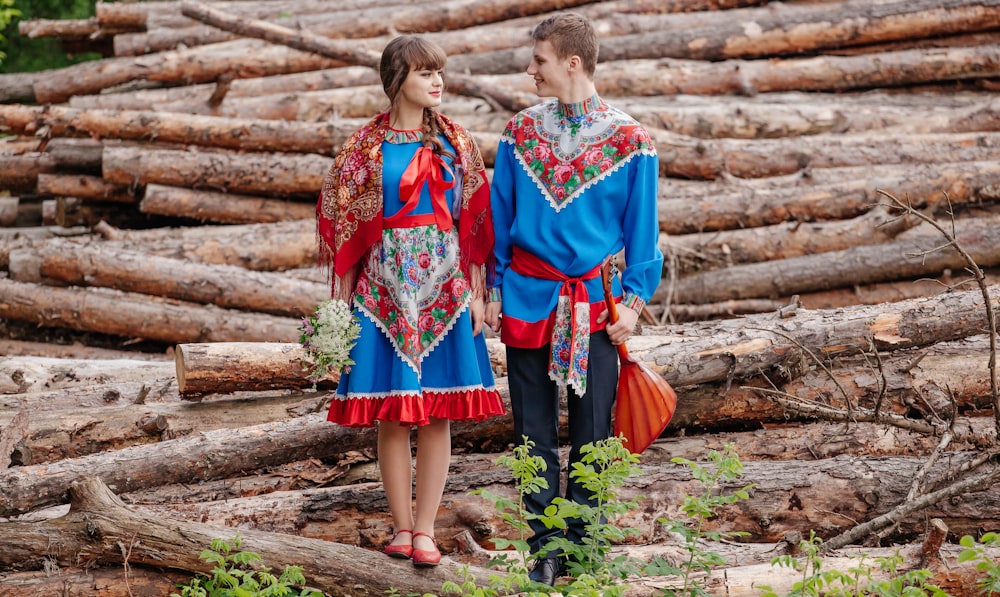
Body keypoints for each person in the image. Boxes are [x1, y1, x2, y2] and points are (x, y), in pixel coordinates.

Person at [484, 12, 664, 586]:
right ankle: (544, 549)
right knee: (530, 428)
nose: (530, 69)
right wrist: (493, 286)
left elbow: (643, 231)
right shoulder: (518, 134)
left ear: (572, 63)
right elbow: (499, 216)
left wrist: (632, 305)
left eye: (538, 59)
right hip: (528, 296)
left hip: (594, 302)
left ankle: (585, 550)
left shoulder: (633, 142)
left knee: (592, 428)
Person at [316, 35, 505, 568]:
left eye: (439, 72)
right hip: (383, 290)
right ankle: (400, 526)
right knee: (393, 416)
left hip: (444, 290)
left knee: (438, 411)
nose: (438, 81)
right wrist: (346, 301)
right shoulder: (364, 149)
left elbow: (475, 222)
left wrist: (474, 290)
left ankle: (426, 531)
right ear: (399, 79)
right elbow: (343, 215)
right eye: (426, 73)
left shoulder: (457, 143)